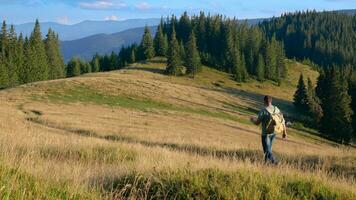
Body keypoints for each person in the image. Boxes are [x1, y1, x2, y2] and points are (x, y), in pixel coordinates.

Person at [250, 95, 287, 164]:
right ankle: (266, 165)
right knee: (268, 150)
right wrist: (284, 132)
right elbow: (282, 120)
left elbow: (257, 123)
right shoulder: (276, 109)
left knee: (267, 151)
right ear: (271, 101)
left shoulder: (263, 111)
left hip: (265, 134)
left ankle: (276, 162)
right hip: (274, 133)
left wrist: (252, 120)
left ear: (264, 101)